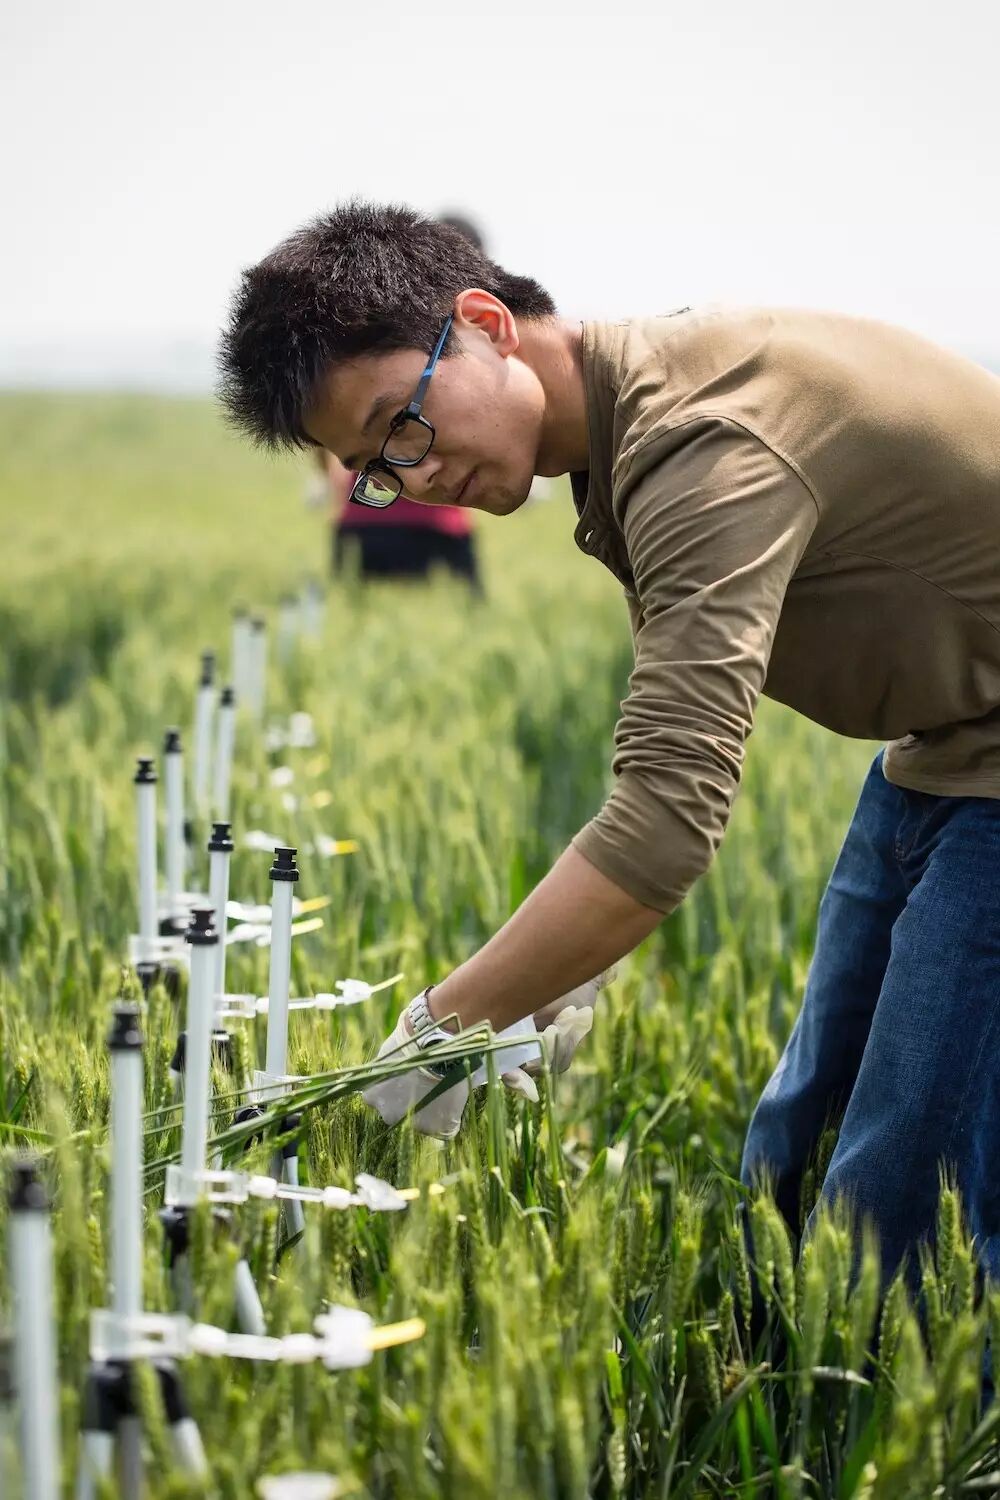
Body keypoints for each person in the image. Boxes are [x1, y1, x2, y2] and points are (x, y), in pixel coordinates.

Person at [219, 202, 1000, 1289]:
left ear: (485, 322)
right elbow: (675, 745)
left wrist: (438, 1031)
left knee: (899, 1217)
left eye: (403, 424)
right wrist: (551, 987)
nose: (415, 471)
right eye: (376, 466)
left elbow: (668, 819)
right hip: (941, 749)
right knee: (792, 1152)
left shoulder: (699, 440)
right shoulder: (621, 436)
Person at [323, 212, 483, 589]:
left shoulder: (374, 320)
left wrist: (330, 478)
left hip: (367, 517)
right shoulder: (465, 335)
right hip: (434, 525)